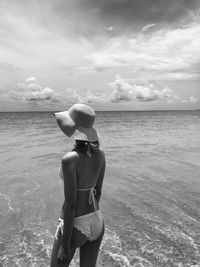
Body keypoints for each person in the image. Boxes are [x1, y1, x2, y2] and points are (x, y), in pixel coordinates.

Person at [50, 103, 106, 267]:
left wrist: (65, 247)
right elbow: (98, 192)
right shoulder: (100, 154)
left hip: (76, 224)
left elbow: (71, 204)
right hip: (97, 220)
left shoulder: (70, 159)